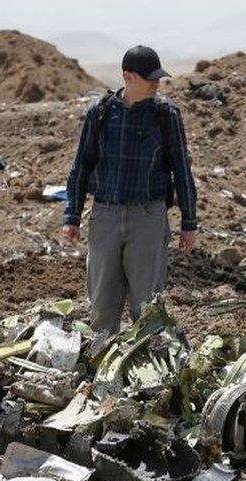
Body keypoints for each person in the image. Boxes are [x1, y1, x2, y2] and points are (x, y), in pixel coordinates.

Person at [61, 45, 198, 334]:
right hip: (105, 217)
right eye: (150, 78)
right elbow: (81, 167)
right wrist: (72, 216)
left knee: (147, 307)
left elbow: (182, 171)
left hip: (148, 218)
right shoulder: (99, 113)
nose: (156, 84)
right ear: (128, 76)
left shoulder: (166, 116)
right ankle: (103, 369)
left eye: (158, 78)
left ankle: (147, 372)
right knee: (101, 305)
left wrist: (189, 223)